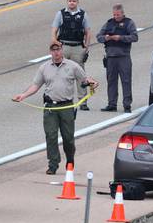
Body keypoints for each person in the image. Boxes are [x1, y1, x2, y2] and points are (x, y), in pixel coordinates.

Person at [13, 41, 97, 175]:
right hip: (51, 107)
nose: (56, 52)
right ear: (50, 52)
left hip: (67, 106)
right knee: (51, 136)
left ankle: (70, 160)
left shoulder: (72, 66)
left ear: (62, 50)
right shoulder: (44, 68)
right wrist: (23, 95)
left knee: (68, 137)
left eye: (58, 50)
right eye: (53, 50)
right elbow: (35, 85)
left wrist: (91, 83)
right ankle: (53, 164)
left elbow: (84, 79)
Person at [51, 0, 92, 110]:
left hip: (78, 47)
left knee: (80, 75)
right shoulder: (61, 14)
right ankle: (61, 99)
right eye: (70, 1)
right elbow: (54, 29)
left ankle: (83, 102)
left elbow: (88, 32)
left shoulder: (83, 14)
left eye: (74, 1)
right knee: (60, 73)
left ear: (77, 2)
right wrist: (55, 43)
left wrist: (87, 48)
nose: (72, 3)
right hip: (64, 46)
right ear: (67, 2)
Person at [97, 3, 138, 113]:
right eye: (114, 15)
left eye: (118, 15)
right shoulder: (109, 23)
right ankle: (112, 104)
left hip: (123, 56)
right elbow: (98, 37)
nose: (116, 17)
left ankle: (127, 105)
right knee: (111, 81)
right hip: (111, 57)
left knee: (126, 81)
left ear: (123, 13)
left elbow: (134, 37)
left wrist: (120, 38)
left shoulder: (129, 23)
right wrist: (106, 38)